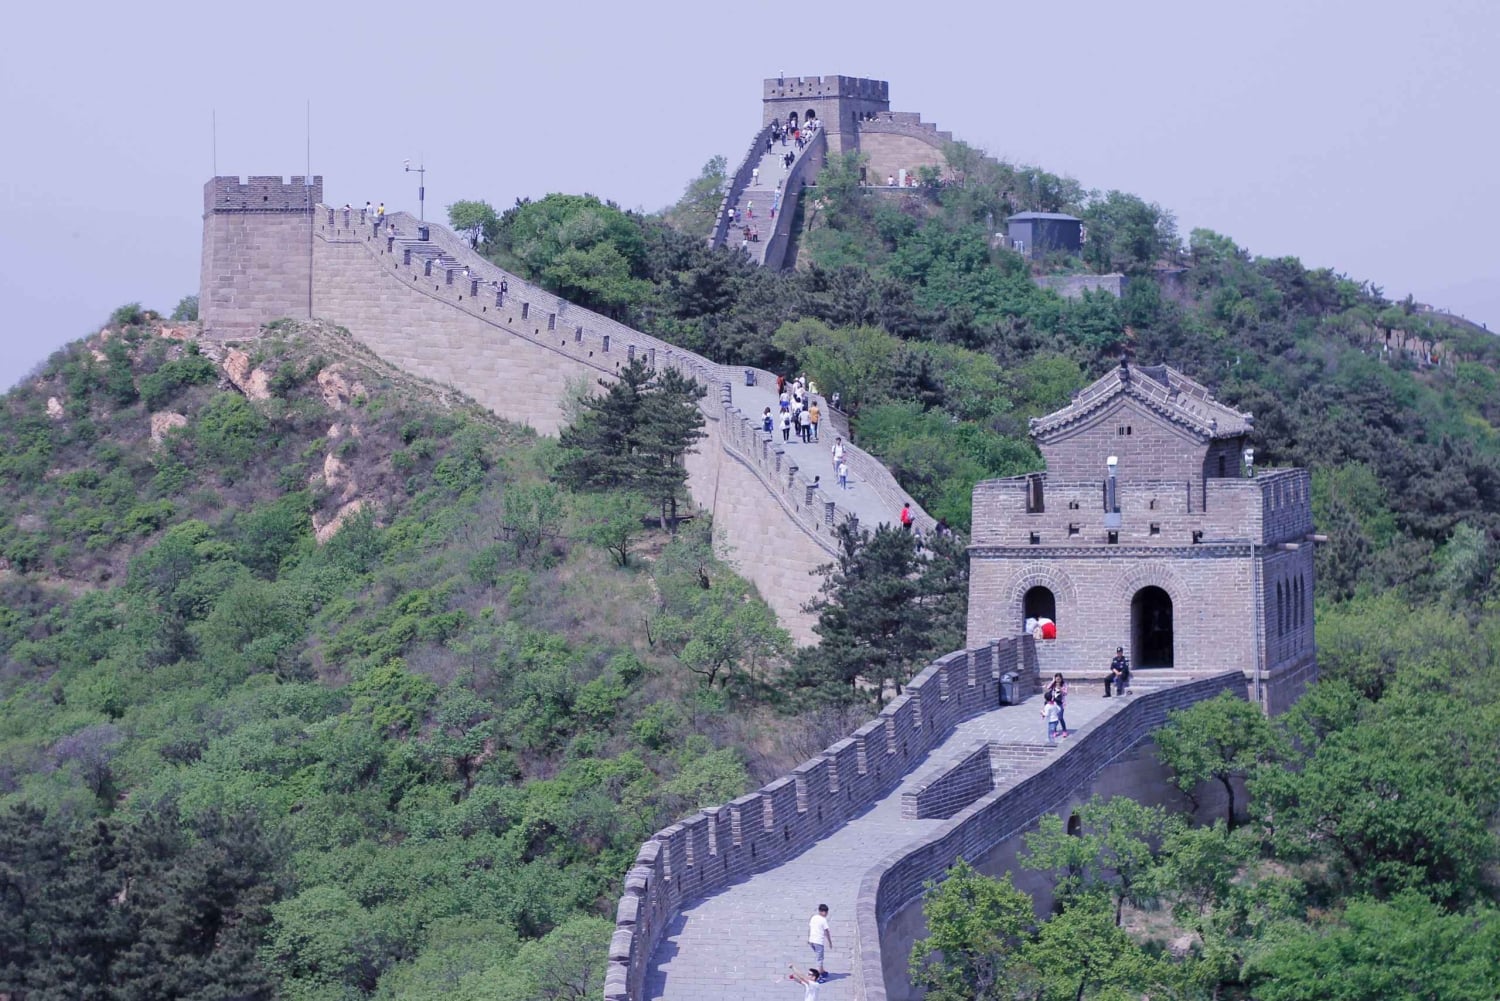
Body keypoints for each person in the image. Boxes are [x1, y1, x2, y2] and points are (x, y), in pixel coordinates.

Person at [808, 904, 832, 981]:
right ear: (823, 912)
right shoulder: (823, 920)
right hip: (818, 942)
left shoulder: (813, 917)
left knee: (819, 956)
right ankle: (818, 977)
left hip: (812, 941)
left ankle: (822, 971)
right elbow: (826, 931)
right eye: (826, 912)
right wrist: (830, 942)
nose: (826, 914)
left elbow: (811, 927)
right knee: (819, 959)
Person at [1046, 673, 1069, 738]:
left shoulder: (1064, 684)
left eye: (1059, 678)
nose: (1058, 680)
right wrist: (1053, 681)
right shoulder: (1053, 685)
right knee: (1054, 718)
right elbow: (1048, 687)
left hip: (1061, 703)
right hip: (1054, 703)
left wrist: (1061, 689)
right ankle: (1055, 731)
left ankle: (1064, 731)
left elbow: (1065, 693)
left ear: (1061, 679)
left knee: (1060, 717)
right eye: (1056, 678)